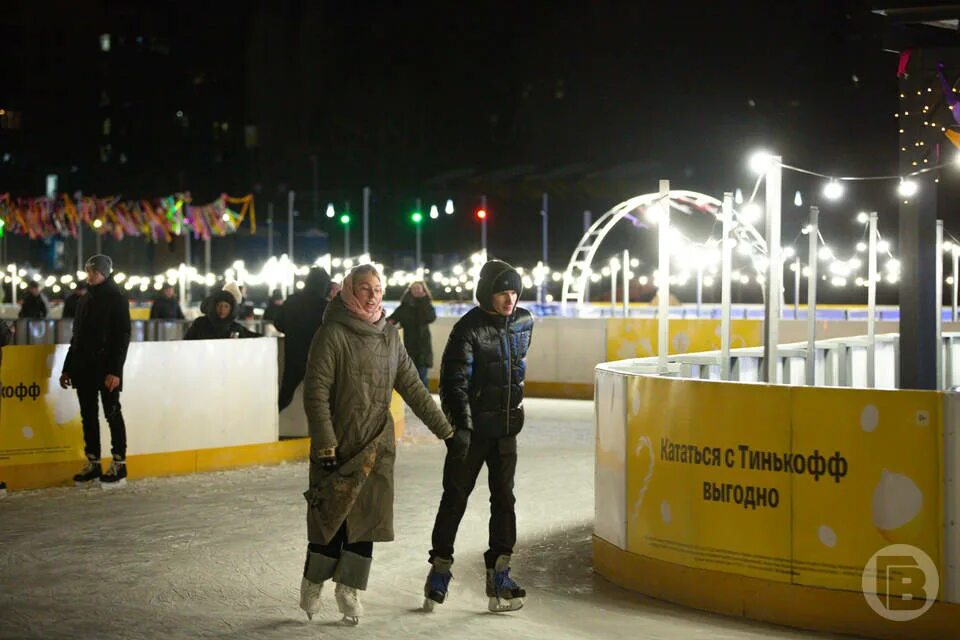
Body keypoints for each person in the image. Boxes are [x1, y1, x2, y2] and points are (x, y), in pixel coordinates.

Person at [299, 264, 453, 626]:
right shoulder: (332, 334)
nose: (373, 295)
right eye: (365, 288)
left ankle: (349, 588)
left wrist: (445, 430)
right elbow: (316, 392)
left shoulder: (389, 336)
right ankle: (313, 580)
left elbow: (413, 387)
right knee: (330, 521)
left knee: (366, 520)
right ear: (350, 290)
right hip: (337, 445)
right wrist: (324, 442)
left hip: (376, 446)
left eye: (378, 289)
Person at [423, 259, 534, 613]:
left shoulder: (523, 323)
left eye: (514, 292)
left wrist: (513, 415)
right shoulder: (467, 329)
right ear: (488, 293)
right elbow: (454, 384)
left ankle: (499, 573)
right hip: (470, 434)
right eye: (503, 292)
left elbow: (513, 374)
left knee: (505, 500)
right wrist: (461, 431)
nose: (510, 299)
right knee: (455, 497)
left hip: (505, 432)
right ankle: (440, 567)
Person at [59, 254, 132, 488]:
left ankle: (119, 463)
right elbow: (77, 337)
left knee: (111, 412)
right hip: (83, 368)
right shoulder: (84, 300)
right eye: (88, 271)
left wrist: (115, 371)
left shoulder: (117, 299)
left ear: (105, 273)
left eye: (94, 271)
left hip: (106, 368)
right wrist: (67, 368)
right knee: (88, 416)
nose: (90, 275)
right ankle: (94, 462)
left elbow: (122, 337)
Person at [274, 268, 331, 412]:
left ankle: (267, 424)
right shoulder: (324, 306)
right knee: (322, 398)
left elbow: (278, 322)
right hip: (317, 357)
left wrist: (292, 331)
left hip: (293, 353)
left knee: (285, 395)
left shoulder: (292, 300)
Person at [387, 281, 437, 388]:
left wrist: (423, 301)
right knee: (411, 376)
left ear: (424, 290)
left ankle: (424, 403)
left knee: (422, 377)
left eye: (419, 288)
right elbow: (392, 319)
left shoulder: (427, 304)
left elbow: (430, 318)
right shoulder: (404, 307)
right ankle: (415, 403)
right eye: (414, 288)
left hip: (423, 347)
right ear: (410, 291)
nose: (417, 290)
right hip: (409, 347)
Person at [183, 290, 259, 340]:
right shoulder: (200, 323)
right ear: (213, 307)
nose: (222, 310)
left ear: (231, 309)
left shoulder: (235, 327)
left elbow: (254, 338)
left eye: (226, 306)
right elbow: (186, 343)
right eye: (219, 306)